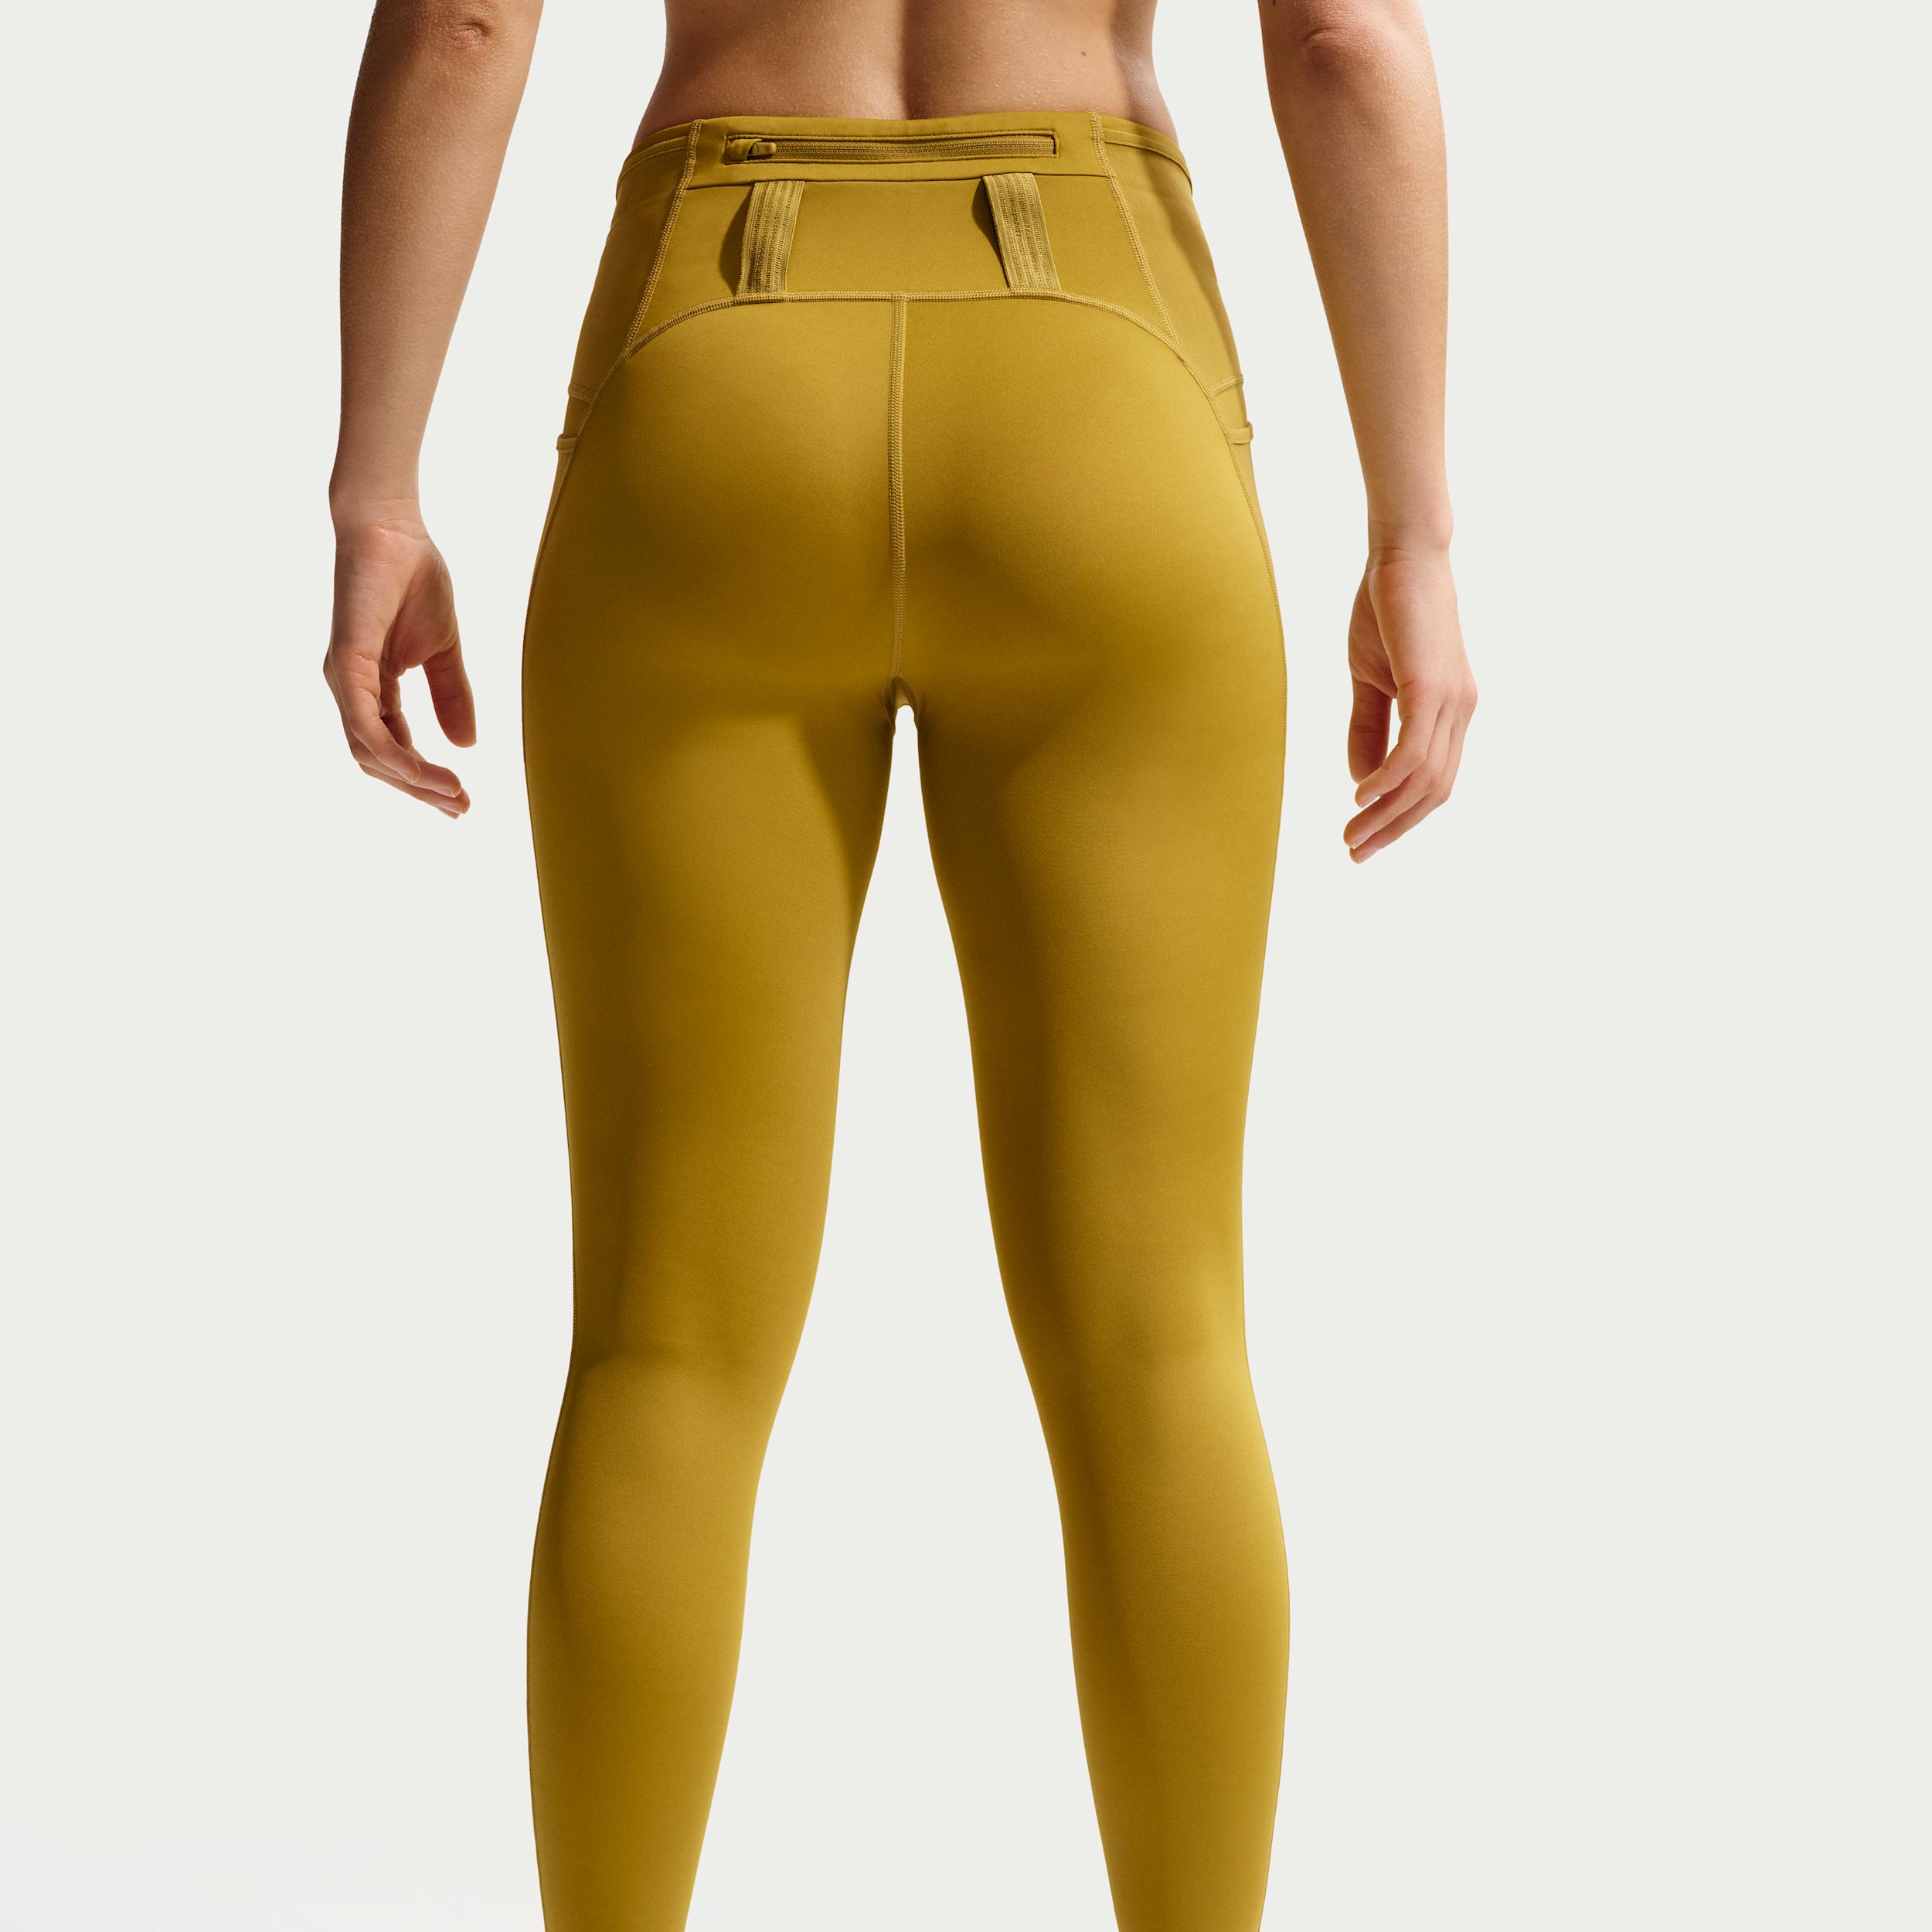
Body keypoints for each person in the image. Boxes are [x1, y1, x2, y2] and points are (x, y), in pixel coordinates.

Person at [323, 2, 1476, 1926]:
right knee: (1156, 1332)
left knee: (664, 1340)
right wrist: (1414, 531)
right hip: (1094, 373)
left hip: (716, 361)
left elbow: (463, 22)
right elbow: (1343, 39)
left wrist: (375, 486)